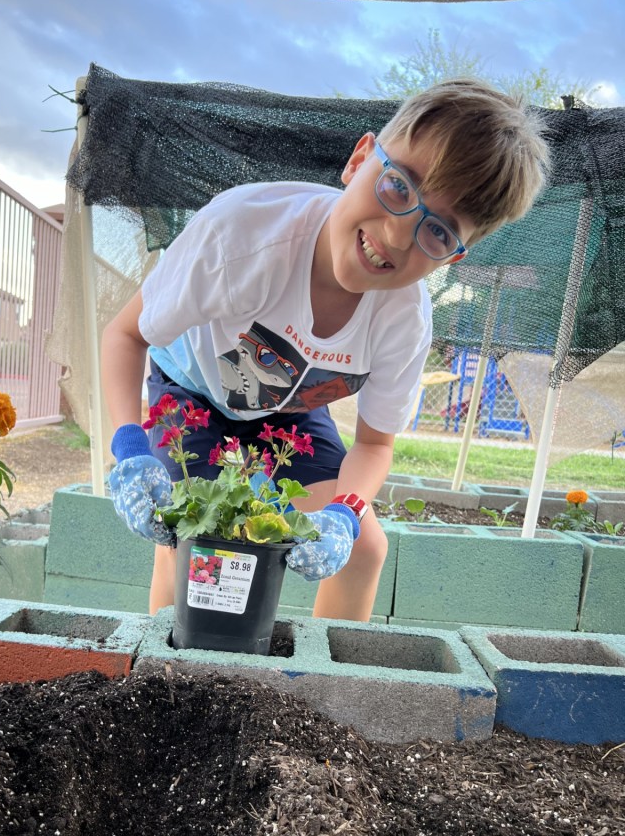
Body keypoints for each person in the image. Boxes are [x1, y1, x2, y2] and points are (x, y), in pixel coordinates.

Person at [102, 78, 549, 620]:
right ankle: (169, 666)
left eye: (437, 232)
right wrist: (129, 448)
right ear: (359, 159)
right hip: (193, 392)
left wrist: (344, 514)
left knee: (364, 548)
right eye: (398, 186)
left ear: (453, 257)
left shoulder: (404, 321)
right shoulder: (241, 234)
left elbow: (375, 444)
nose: (396, 236)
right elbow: (126, 336)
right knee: (191, 542)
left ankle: (327, 672)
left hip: (288, 410)